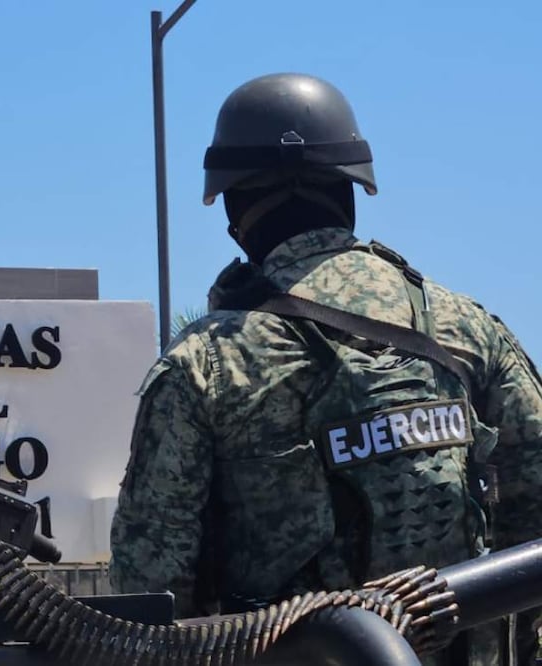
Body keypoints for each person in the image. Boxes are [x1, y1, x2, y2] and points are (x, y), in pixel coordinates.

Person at [108, 72, 542, 666]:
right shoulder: (466, 328)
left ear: (234, 207)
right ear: (350, 189)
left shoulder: (205, 364)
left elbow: (149, 595)